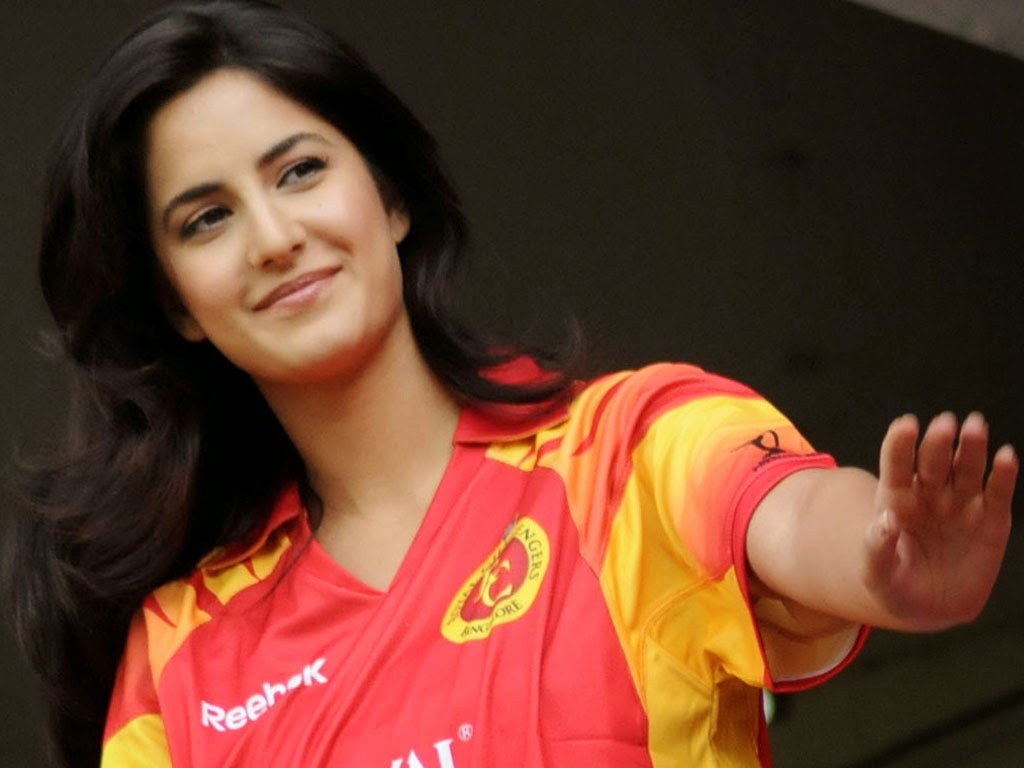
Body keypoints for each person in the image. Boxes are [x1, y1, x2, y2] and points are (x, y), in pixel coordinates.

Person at [4, 1, 1016, 766]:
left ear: (390, 197)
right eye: (206, 219)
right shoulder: (181, 653)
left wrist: (884, 562)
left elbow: (796, 519)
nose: (273, 237)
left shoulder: (630, 447)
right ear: (178, 303)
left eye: (300, 171)